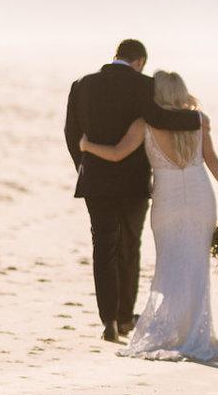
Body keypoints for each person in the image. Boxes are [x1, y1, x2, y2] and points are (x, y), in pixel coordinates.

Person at [77, 69, 218, 361]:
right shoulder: (198, 120)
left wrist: (86, 146)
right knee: (197, 264)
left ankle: (172, 328)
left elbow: (117, 153)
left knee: (169, 261)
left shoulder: (145, 123)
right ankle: (195, 330)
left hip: (168, 200)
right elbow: (212, 160)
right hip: (200, 196)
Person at [63, 39, 206, 342]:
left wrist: (85, 165)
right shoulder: (144, 85)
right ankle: (127, 318)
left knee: (103, 249)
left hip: (95, 181)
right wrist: (196, 118)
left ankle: (109, 321)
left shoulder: (82, 85)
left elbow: (71, 132)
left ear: (115, 56)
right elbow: (160, 119)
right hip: (133, 182)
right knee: (129, 246)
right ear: (140, 61)